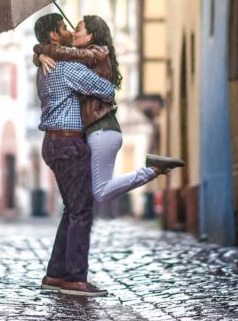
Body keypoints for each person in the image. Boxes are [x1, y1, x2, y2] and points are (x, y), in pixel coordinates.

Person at [34, 14, 184, 206]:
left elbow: (71, 58)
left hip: (101, 129)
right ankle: (153, 168)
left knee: (99, 192)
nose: (72, 32)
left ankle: (154, 169)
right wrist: (40, 54)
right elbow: (64, 55)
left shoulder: (95, 53)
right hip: (96, 131)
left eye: (78, 30)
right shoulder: (81, 59)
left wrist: (42, 50)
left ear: (91, 36)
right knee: (89, 193)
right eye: (69, 29)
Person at [33, 13, 116, 297]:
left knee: (71, 209)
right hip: (69, 144)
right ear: (54, 37)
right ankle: (75, 279)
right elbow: (105, 90)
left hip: (52, 143)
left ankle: (56, 274)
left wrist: (39, 53)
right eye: (63, 28)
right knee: (82, 210)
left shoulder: (44, 68)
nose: (69, 31)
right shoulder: (66, 69)